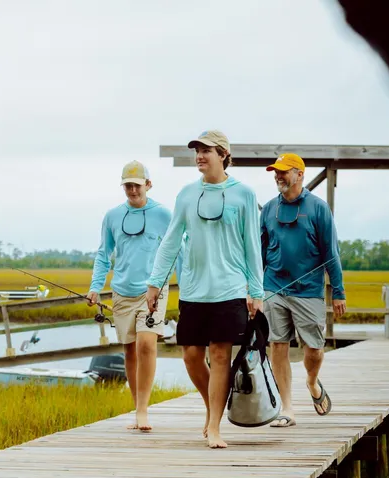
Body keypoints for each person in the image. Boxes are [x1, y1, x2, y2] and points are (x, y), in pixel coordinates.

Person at [146, 130, 264, 449]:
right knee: (191, 356)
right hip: (194, 290)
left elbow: (252, 245)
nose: (199, 156)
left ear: (224, 154)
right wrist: (156, 282)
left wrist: (257, 291)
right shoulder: (186, 195)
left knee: (221, 354)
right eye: (196, 151)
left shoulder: (244, 194)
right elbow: (170, 241)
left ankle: (214, 426)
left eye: (206, 150)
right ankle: (213, 404)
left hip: (229, 289)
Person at [87, 160, 177, 432]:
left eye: (137, 185)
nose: (132, 190)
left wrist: (181, 284)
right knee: (129, 350)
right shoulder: (113, 216)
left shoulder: (163, 215)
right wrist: (95, 285)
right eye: (128, 185)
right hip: (122, 292)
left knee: (147, 345)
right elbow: (104, 254)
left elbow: (176, 250)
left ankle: (143, 410)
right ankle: (136, 405)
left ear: (148, 185)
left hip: (153, 291)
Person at [259, 153, 346, 428]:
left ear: (300, 175)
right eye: (276, 171)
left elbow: (331, 253)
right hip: (273, 288)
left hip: (308, 290)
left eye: (284, 171)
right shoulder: (268, 209)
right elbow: (259, 252)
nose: (278, 176)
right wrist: (253, 289)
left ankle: (311, 381)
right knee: (278, 345)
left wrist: (339, 291)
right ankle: (286, 408)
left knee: (314, 349)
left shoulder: (318, 208)